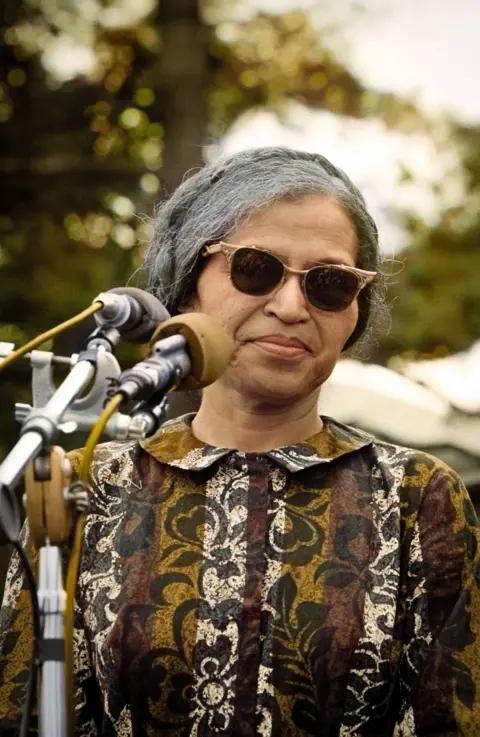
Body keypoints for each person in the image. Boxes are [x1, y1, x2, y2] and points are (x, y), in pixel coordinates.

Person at [1, 146, 479, 736]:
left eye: (329, 284)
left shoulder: (417, 496)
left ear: (354, 313)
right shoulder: (82, 485)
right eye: (256, 268)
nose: (289, 306)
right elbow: (24, 710)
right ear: (187, 285)